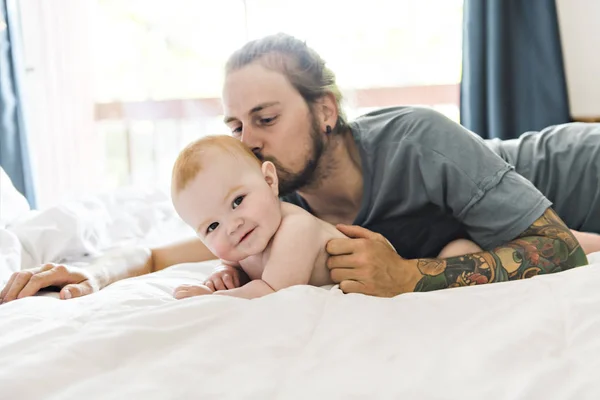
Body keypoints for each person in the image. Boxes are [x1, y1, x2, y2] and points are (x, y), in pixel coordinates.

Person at [1, 32, 598, 304]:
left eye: (266, 118)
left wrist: (413, 276)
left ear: (325, 111)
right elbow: (159, 255)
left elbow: (558, 249)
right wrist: (91, 274)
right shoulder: (275, 202)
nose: (250, 142)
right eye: (236, 127)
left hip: (577, 172)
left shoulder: (418, 139)